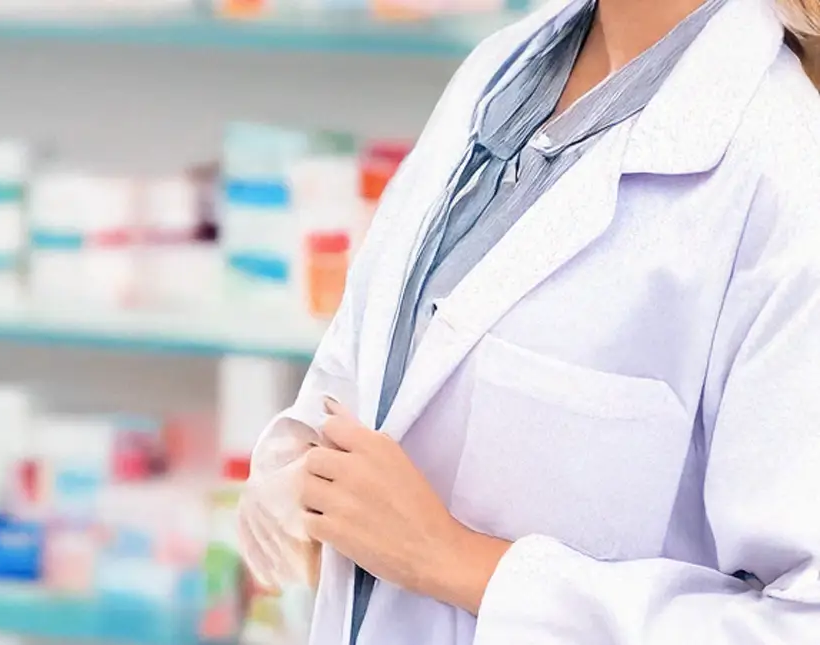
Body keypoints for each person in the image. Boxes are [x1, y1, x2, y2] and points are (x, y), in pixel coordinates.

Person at [236, 0, 820, 643]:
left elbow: (798, 621)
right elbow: (384, 348)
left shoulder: (785, 173)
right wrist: (305, 462)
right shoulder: (502, 67)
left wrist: (453, 560)